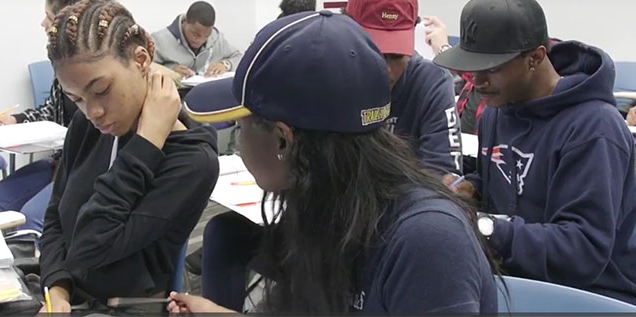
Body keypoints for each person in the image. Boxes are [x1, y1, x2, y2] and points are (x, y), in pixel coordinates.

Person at [174, 11, 497, 314]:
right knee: (226, 232)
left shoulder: (428, 243)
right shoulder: (332, 209)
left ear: (283, 140)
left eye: (240, 126)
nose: (239, 140)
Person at [434, 0, 636, 305]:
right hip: (514, 279)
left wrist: (483, 227)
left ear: (535, 58)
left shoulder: (595, 130)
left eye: (491, 68)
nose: (477, 82)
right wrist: (470, 190)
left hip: (594, 295)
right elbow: (506, 190)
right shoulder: (495, 112)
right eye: (473, 67)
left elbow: (582, 252)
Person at [39, 0, 219, 312]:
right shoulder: (87, 125)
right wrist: (57, 291)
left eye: (102, 90)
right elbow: (56, 215)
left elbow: (89, 247)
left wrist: (147, 142)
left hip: (122, 307)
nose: (92, 111)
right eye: (76, 98)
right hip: (67, 299)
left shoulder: (192, 161)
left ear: (140, 59)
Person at [0, 0, 84, 232]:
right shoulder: (61, 62)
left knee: (32, 218)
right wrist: (15, 120)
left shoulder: (94, 75)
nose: (42, 23)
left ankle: (36, 266)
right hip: (59, 163)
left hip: (83, 171)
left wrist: (63, 169)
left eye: (48, 17)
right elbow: (49, 111)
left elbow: (98, 148)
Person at [343, 0, 462, 175]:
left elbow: (442, 175)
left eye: (397, 56)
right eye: (375, 54)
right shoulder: (332, 77)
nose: (387, 71)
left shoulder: (432, 82)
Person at [152, 1, 242, 78]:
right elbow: (144, 68)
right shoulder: (159, 40)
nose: (200, 40)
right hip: (175, 94)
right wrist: (170, 72)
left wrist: (226, 65)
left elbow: (239, 57)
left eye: (206, 36)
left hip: (206, 91)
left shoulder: (216, 38)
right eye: (195, 34)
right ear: (185, 22)